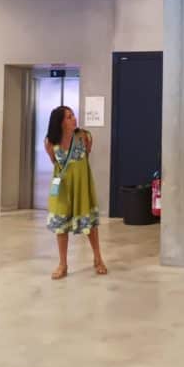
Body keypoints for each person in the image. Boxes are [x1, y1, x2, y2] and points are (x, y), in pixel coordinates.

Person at [44, 105, 107, 279]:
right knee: (61, 227)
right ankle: (62, 264)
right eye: (69, 117)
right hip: (62, 188)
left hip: (82, 186)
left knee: (90, 225)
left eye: (73, 115)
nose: (74, 119)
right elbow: (54, 162)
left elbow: (87, 154)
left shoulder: (84, 137)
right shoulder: (50, 142)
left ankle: (98, 258)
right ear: (60, 122)